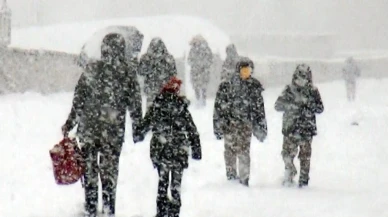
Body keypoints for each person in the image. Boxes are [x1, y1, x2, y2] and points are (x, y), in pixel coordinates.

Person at [62, 33, 143, 217]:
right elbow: (135, 104)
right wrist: (137, 127)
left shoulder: (91, 69)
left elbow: (79, 100)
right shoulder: (127, 73)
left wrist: (70, 122)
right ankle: (108, 209)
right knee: (109, 173)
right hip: (113, 132)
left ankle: (91, 208)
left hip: (89, 130)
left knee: (89, 172)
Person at [134, 76, 201, 217]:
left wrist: (138, 134)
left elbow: (144, 126)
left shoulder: (157, 106)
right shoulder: (181, 107)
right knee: (176, 185)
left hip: (161, 151)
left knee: (162, 182)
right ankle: (174, 212)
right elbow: (192, 130)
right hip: (179, 151)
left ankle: (161, 210)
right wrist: (196, 149)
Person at [213, 57, 267, 186]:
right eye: (243, 71)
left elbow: (259, 110)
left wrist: (261, 127)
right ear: (238, 71)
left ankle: (244, 178)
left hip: (245, 125)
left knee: (244, 151)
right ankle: (231, 176)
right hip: (229, 124)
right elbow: (218, 107)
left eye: (248, 71)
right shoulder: (227, 86)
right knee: (230, 151)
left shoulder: (254, 87)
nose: (246, 74)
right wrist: (218, 125)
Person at [274, 64, 324, 188]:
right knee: (287, 155)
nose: (301, 80)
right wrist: (292, 106)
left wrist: (308, 106)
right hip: (290, 128)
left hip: (306, 129)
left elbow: (320, 108)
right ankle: (290, 173)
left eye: (304, 77)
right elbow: (278, 105)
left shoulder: (313, 91)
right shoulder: (288, 90)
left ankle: (303, 181)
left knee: (305, 158)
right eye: (299, 77)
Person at [138, 37, 177, 107]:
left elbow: (140, 71)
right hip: (166, 90)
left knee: (151, 112)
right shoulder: (168, 58)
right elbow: (174, 73)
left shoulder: (146, 58)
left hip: (151, 90)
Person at [188, 35, 213, 106]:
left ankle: (201, 100)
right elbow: (189, 60)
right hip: (199, 71)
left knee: (201, 86)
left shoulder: (203, 49)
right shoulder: (195, 49)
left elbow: (210, 59)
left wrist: (199, 65)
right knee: (199, 86)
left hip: (200, 71)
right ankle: (199, 100)